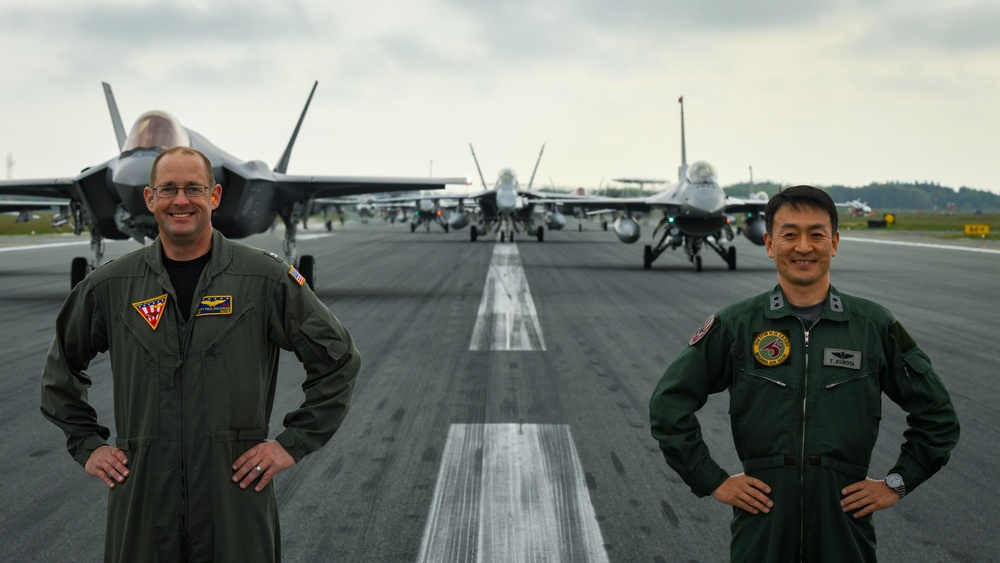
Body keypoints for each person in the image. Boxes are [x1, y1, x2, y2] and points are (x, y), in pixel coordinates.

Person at [40, 146, 361, 562]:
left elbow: (339, 361)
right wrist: (86, 444)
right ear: (149, 198)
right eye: (168, 189)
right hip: (143, 500)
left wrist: (290, 444)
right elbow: (60, 369)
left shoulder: (265, 279)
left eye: (193, 188)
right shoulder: (110, 286)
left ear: (215, 196)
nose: (180, 200)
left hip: (235, 498)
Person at [648, 185, 959, 562]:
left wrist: (897, 483)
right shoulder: (736, 326)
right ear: (769, 243)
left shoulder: (873, 326)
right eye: (790, 234)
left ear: (835, 243)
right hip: (763, 519)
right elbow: (669, 405)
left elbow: (938, 416)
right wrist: (711, 479)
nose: (803, 247)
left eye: (816, 234)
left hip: (843, 521)